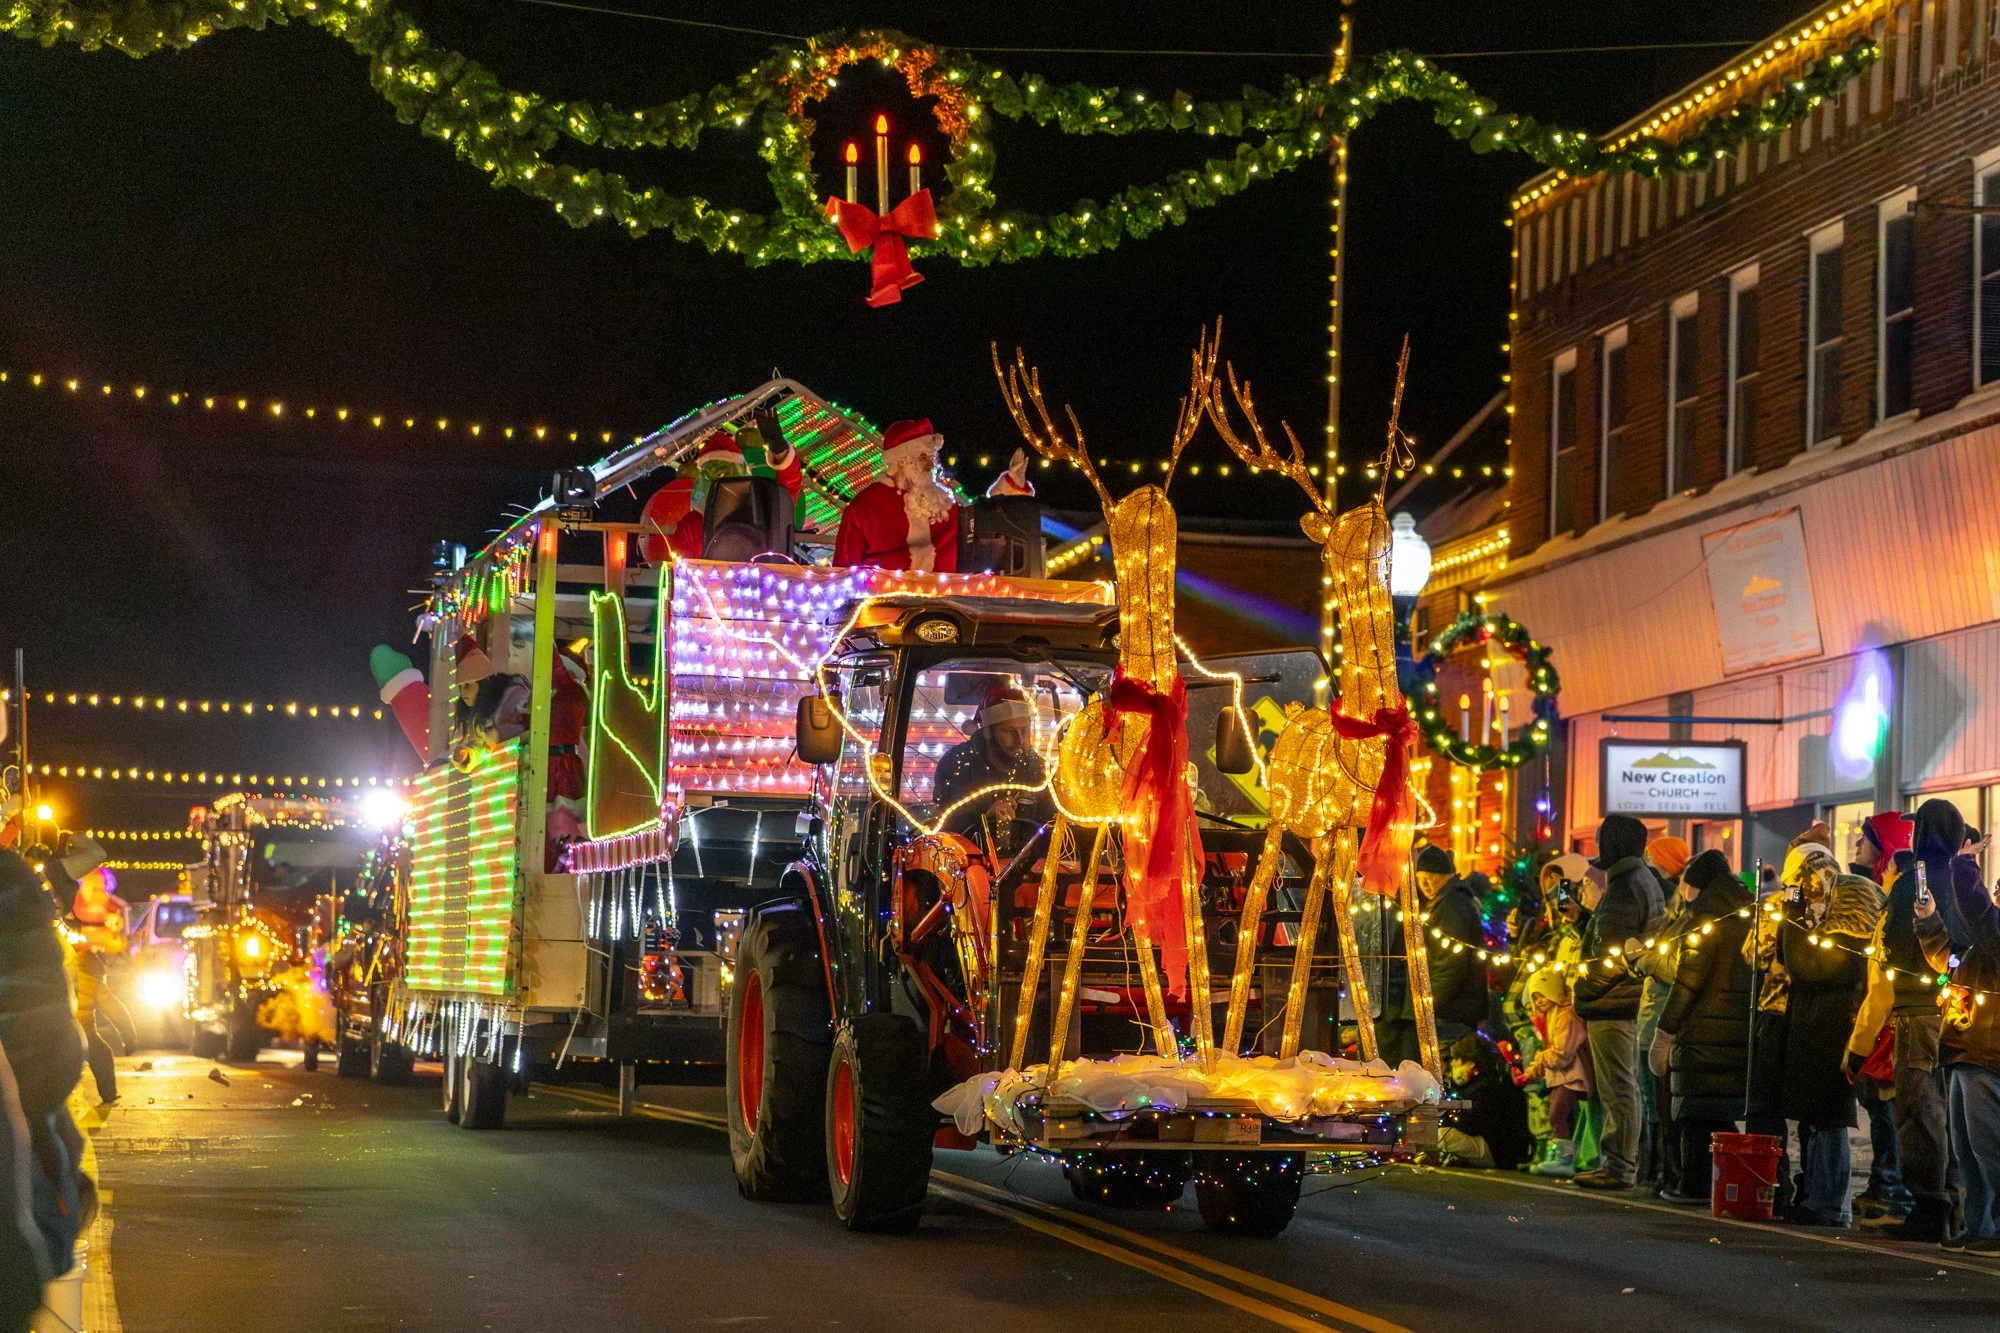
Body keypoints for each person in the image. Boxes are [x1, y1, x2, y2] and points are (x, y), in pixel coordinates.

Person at [1774, 841, 1883, 1228]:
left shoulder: (1849, 908)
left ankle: (1829, 1202)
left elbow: (1808, 967)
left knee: (1827, 1118)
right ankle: (1819, 1196)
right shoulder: (1823, 909)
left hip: (1834, 1025)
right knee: (1815, 1118)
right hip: (1818, 1024)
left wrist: (1791, 916)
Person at [1911, 798, 2000, 1253]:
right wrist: (1929, 926)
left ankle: (1994, 1225)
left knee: (1988, 1143)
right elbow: (1950, 961)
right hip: (1965, 1038)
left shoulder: (1993, 927)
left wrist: (1963, 865)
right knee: (1967, 1146)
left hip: (1988, 1045)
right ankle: (1982, 1224)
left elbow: (1976, 911)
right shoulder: (1985, 933)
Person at [1570, 814, 1666, 1190]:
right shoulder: (1641, 880)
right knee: (1624, 1087)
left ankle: (1619, 1165)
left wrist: (1586, 991)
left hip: (1613, 1003)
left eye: (1599, 839)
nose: (1595, 845)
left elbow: (1607, 956)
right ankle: (1624, 1162)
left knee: (1618, 1089)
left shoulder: (1625, 887)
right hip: (1625, 1000)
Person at [1654, 850, 1753, 1204]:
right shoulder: (1747, 914)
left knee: (1696, 1113)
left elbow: (1687, 983)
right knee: (1719, 1112)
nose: (1682, 889)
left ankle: (1694, 1184)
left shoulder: (1703, 920)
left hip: (1703, 1031)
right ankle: (1723, 1181)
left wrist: (1664, 1033)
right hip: (1739, 1029)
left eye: (1686, 882)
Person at [1846, 813, 1915, 1223]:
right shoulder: (1882, 891)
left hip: (1892, 1023)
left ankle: (1893, 1188)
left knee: (1891, 1111)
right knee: (1884, 1109)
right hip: (1881, 1017)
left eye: (1866, 837)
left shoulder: (1895, 902)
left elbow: (1882, 983)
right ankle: (1888, 1184)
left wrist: (1858, 1043)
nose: (1857, 842)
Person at [932, 685, 1051, 859]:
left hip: (1031, 869)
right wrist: (986, 817)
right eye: (1009, 731)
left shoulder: (1038, 768)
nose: (1019, 739)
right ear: (988, 731)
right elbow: (944, 827)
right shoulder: (958, 763)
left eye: (1024, 730)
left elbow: (1050, 820)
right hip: (972, 868)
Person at [1634, 835, 1691, 1191]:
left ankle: (1663, 1170)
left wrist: (1644, 958)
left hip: (1662, 1020)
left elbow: (1675, 969)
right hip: (1651, 1014)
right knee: (1651, 1099)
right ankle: (1653, 1169)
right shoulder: (1669, 916)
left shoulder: (1684, 919)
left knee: (1660, 1099)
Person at [832, 418, 961, 572]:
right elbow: (843, 571)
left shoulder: (945, 502)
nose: (930, 465)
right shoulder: (865, 507)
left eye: (932, 458)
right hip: (884, 594)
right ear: (900, 462)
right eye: (922, 458)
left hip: (949, 594)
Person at [1518, 968, 1592, 1178]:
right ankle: (1565, 1156)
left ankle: (1564, 1159)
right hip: (1562, 1075)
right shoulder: (1553, 1016)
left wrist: (1540, 1061)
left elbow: (1562, 1053)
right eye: (1535, 997)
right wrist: (1533, 1071)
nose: (1539, 1001)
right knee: (1563, 1115)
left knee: (1557, 1114)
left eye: (1542, 994)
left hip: (1571, 1075)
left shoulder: (1565, 1017)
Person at [1412, 844, 1489, 1045]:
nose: (1426, 884)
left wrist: (1427, 1002)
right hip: (1456, 1007)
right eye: (1421, 879)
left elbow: (1451, 964)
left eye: (1431, 877)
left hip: (1455, 1010)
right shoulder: (1445, 902)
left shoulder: (1451, 906)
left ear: (1446, 876)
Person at [1439, 1032, 1532, 1171]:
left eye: (1456, 1059)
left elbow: (1471, 1124)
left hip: (1498, 1152)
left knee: (1440, 1136)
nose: (1452, 1063)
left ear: (1470, 1063)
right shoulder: (1482, 1084)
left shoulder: (1486, 1088)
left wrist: (1449, 1113)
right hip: (1495, 1148)